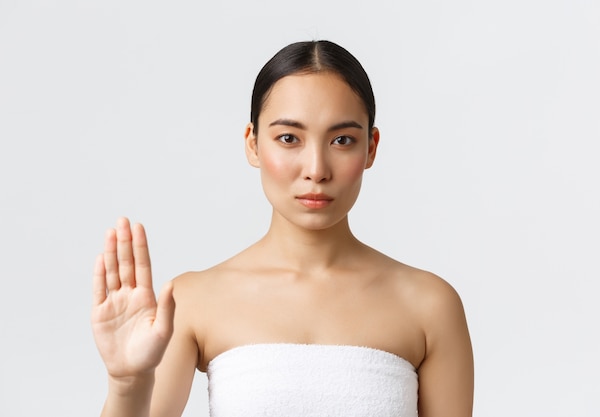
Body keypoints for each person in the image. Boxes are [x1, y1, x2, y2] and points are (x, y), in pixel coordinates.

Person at [91, 40, 474, 417]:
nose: (316, 169)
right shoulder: (194, 300)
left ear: (371, 148)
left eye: (342, 140)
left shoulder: (429, 306)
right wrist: (127, 384)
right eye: (289, 138)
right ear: (253, 144)